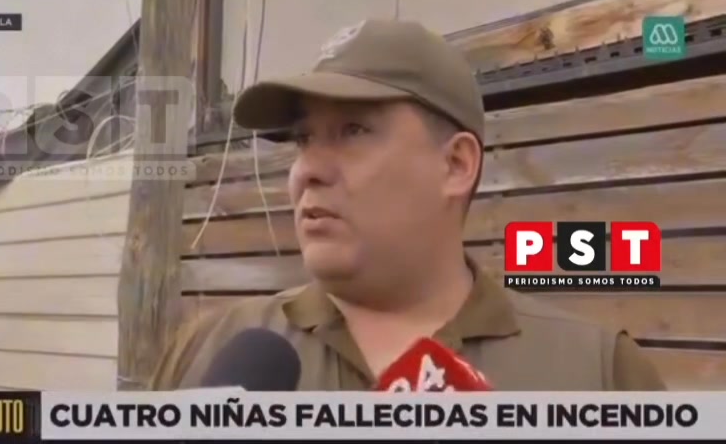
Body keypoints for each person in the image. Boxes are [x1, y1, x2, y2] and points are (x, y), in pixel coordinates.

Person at [151, 19, 666, 391]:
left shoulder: (598, 374)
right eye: (304, 139)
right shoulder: (206, 354)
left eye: (353, 131)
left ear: (456, 165)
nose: (308, 170)